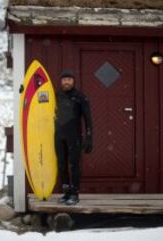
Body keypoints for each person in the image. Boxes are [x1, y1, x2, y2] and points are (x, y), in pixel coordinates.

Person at [54, 69, 93, 205]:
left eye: (69, 79)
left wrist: (89, 136)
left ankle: (75, 194)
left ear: (73, 81)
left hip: (74, 136)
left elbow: (88, 118)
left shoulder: (80, 97)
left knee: (74, 165)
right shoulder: (56, 95)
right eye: (64, 79)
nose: (66, 82)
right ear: (61, 82)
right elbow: (39, 104)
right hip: (59, 135)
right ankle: (66, 193)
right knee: (61, 165)